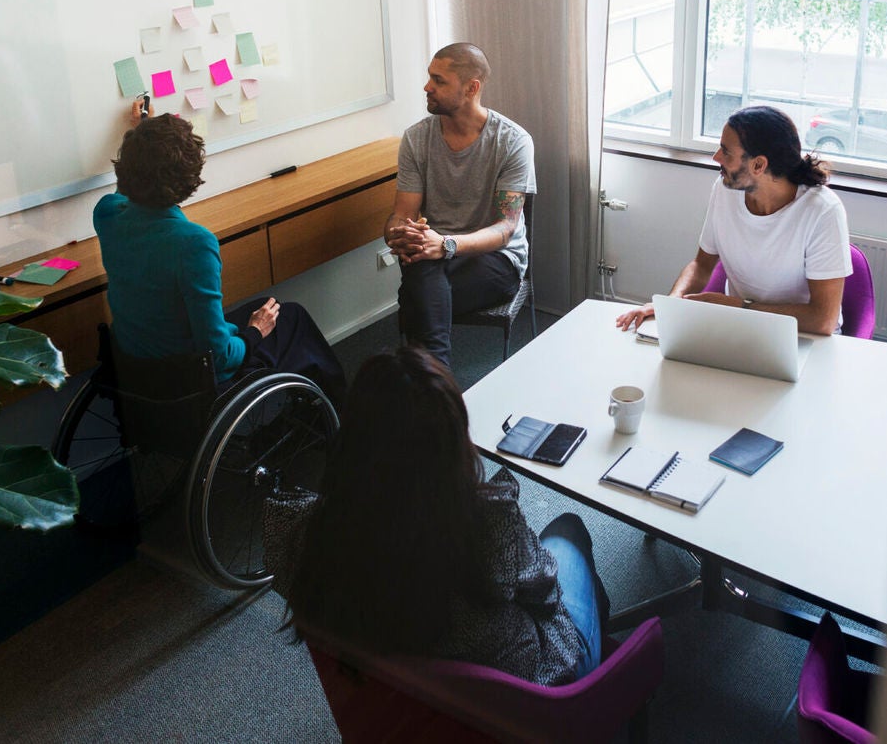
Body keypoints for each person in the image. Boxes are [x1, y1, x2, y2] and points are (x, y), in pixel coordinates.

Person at [264, 346, 608, 685]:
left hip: (401, 701)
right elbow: (545, 593)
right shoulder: (487, 521)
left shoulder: (310, 528)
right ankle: (602, 678)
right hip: (534, 692)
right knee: (568, 531)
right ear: (452, 440)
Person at [95, 101, 345, 404]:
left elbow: (127, 190)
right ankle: (341, 410)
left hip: (137, 370)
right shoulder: (193, 243)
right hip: (188, 377)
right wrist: (255, 332)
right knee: (291, 317)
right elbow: (220, 356)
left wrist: (141, 134)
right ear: (189, 179)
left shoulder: (106, 214)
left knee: (269, 315)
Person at [616, 106, 851, 336]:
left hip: (803, 336)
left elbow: (823, 320)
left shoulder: (823, 210)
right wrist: (671, 304)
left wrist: (739, 307)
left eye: (726, 152)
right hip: (740, 326)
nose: (716, 157)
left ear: (759, 165)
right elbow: (701, 265)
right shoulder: (725, 189)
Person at [385, 43, 536, 366]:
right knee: (424, 270)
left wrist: (446, 245)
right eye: (429, 77)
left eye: (438, 81)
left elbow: (505, 229)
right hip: (433, 255)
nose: (427, 87)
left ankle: (430, 377)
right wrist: (400, 234)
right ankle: (437, 381)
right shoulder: (416, 138)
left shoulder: (513, 141)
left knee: (416, 297)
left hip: (495, 259)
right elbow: (402, 215)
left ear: (471, 88)